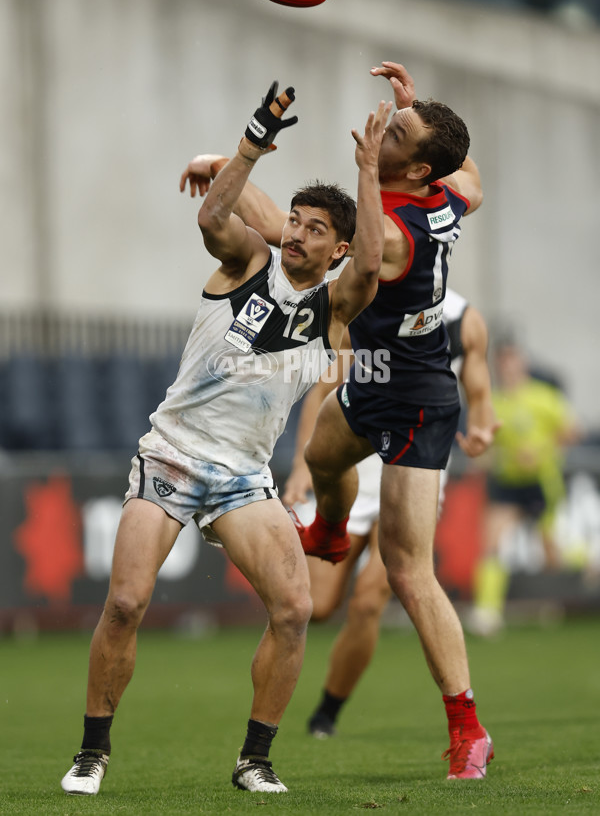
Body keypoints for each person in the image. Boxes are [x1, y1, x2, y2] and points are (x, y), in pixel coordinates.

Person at [60, 81, 392, 796]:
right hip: (172, 455)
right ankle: (92, 752)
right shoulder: (247, 263)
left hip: (243, 477)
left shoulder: (335, 309)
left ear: (333, 248)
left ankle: (255, 760)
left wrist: (367, 174)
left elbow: (372, 264)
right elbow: (214, 213)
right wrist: (250, 143)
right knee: (125, 603)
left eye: (313, 229)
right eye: (293, 221)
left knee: (297, 609)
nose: (298, 234)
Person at [185, 61, 492, 780]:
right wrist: (417, 110)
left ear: (413, 168)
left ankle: (466, 726)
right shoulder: (448, 192)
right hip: (375, 377)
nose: (385, 122)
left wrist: (242, 167)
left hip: (419, 397)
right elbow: (471, 176)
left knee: (411, 571)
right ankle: (326, 529)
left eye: (400, 129)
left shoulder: (393, 235)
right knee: (322, 458)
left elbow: (305, 237)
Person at [282, 288, 498, 739]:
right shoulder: (367, 297)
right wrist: (305, 464)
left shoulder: (463, 320)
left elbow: (479, 390)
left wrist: (480, 426)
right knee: (315, 606)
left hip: (417, 469)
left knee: (370, 600)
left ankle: (327, 713)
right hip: (356, 462)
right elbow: (326, 384)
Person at [468, 338, 581, 637]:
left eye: (513, 360)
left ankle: (589, 564)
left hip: (541, 484)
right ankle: (487, 613)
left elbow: (572, 432)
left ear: (523, 363)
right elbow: (484, 443)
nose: (509, 367)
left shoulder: (544, 397)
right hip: (508, 485)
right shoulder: (494, 401)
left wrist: (540, 451)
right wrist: (485, 453)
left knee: (553, 555)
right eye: (503, 362)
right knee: (492, 540)